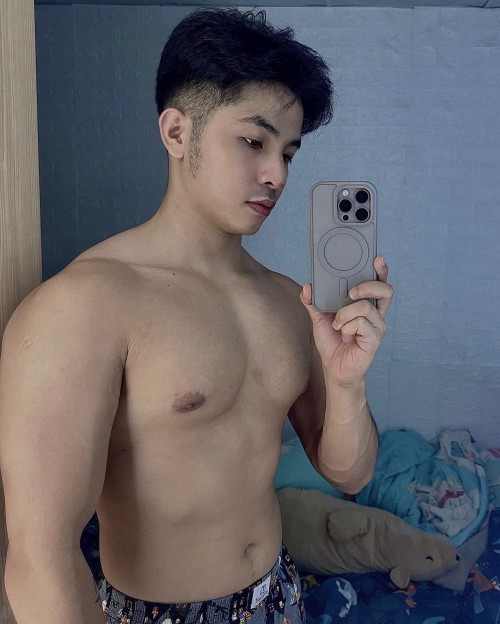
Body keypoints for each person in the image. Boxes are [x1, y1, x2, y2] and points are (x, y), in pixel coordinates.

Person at [0, 8, 393, 624]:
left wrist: (348, 382)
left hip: (276, 595)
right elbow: (39, 557)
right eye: (254, 141)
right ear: (177, 132)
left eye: (289, 152)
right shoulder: (82, 306)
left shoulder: (287, 302)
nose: (277, 174)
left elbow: (350, 473)